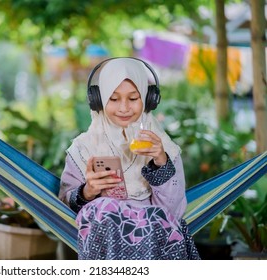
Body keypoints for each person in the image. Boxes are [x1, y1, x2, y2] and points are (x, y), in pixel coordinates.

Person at [58, 57, 200, 260]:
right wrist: (88, 192)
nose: (124, 108)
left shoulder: (162, 146)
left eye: (133, 99)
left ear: (148, 99)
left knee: (152, 217)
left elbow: (172, 213)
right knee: (103, 207)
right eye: (113, 99)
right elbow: (66, 203)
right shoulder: (83, 148)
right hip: (104, 232)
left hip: (151, 235)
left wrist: (161, 162)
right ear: (99, 99)